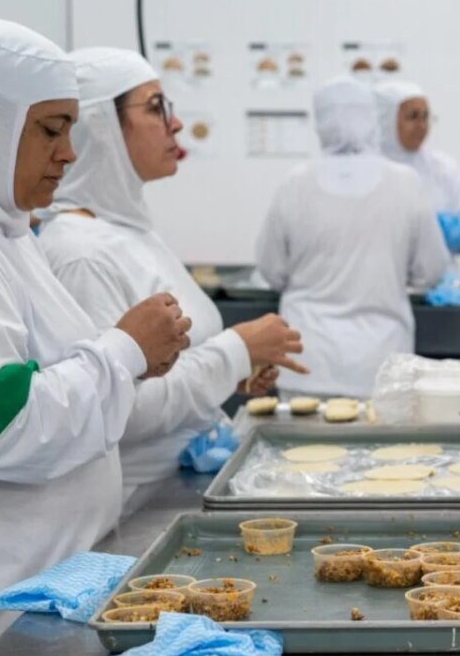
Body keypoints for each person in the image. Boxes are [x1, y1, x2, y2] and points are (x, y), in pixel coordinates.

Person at [0, 19, 189, 653]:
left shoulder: (7, 233)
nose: (68, 153)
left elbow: (44, 371)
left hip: (49, 582)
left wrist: (133, 362)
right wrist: (122, 350)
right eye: (50, 130)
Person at [37, 47, 307, 514]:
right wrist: (234, 353)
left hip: (179, 485)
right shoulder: (80, 252)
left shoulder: (128, 233)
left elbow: (167, 365)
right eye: (156, 107)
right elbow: (118, 411)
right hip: (135, 508)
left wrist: (233, 373)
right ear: (101, 127)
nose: (176, 124)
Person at [256, 76, 449, 398]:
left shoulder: (295, 183)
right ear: (371, 118)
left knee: (298, 434)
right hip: (380, 364)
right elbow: (431, 271)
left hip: (307, 363)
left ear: (320, 123)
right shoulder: (405, 182)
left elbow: (271, 270)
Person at [374, 79, 460, 260]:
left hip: (439, 276)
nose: (422, 126)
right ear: (386, 120)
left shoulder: (443, 168)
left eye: (425, 117)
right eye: (412, 117)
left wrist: (455, 232)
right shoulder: (367, 173)